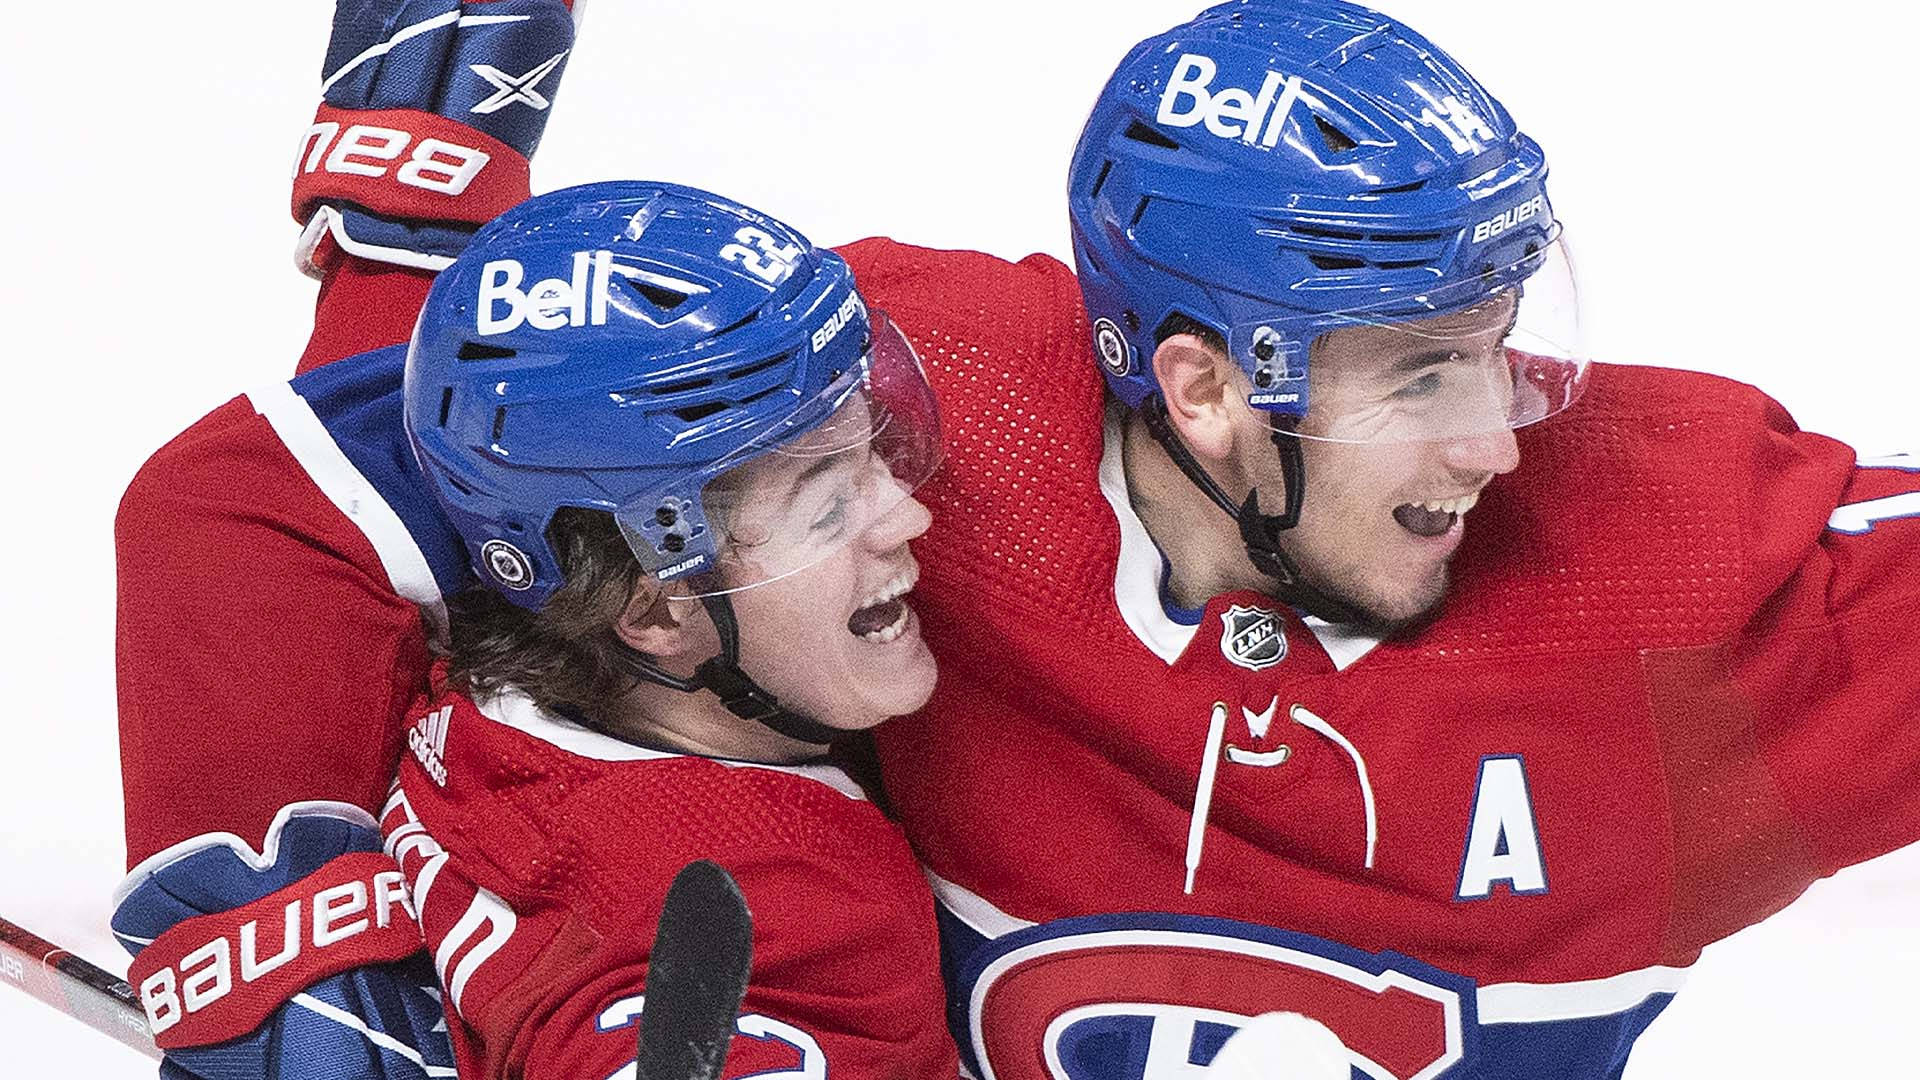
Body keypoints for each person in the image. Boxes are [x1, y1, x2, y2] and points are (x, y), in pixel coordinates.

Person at [113, 2, 1920, 1078]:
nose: (1502, 431)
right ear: (1206, 390)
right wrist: (302, 966)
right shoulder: (925, 421)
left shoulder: (1690, 580)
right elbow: (272, 510)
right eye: (1425, 367)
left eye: (1501, 338)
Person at [378, 178, 955, 1079]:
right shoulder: (784, 899)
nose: (907, 518)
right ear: (650, 605)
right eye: (830, 504)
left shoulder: (478, 713)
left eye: (876, 450)